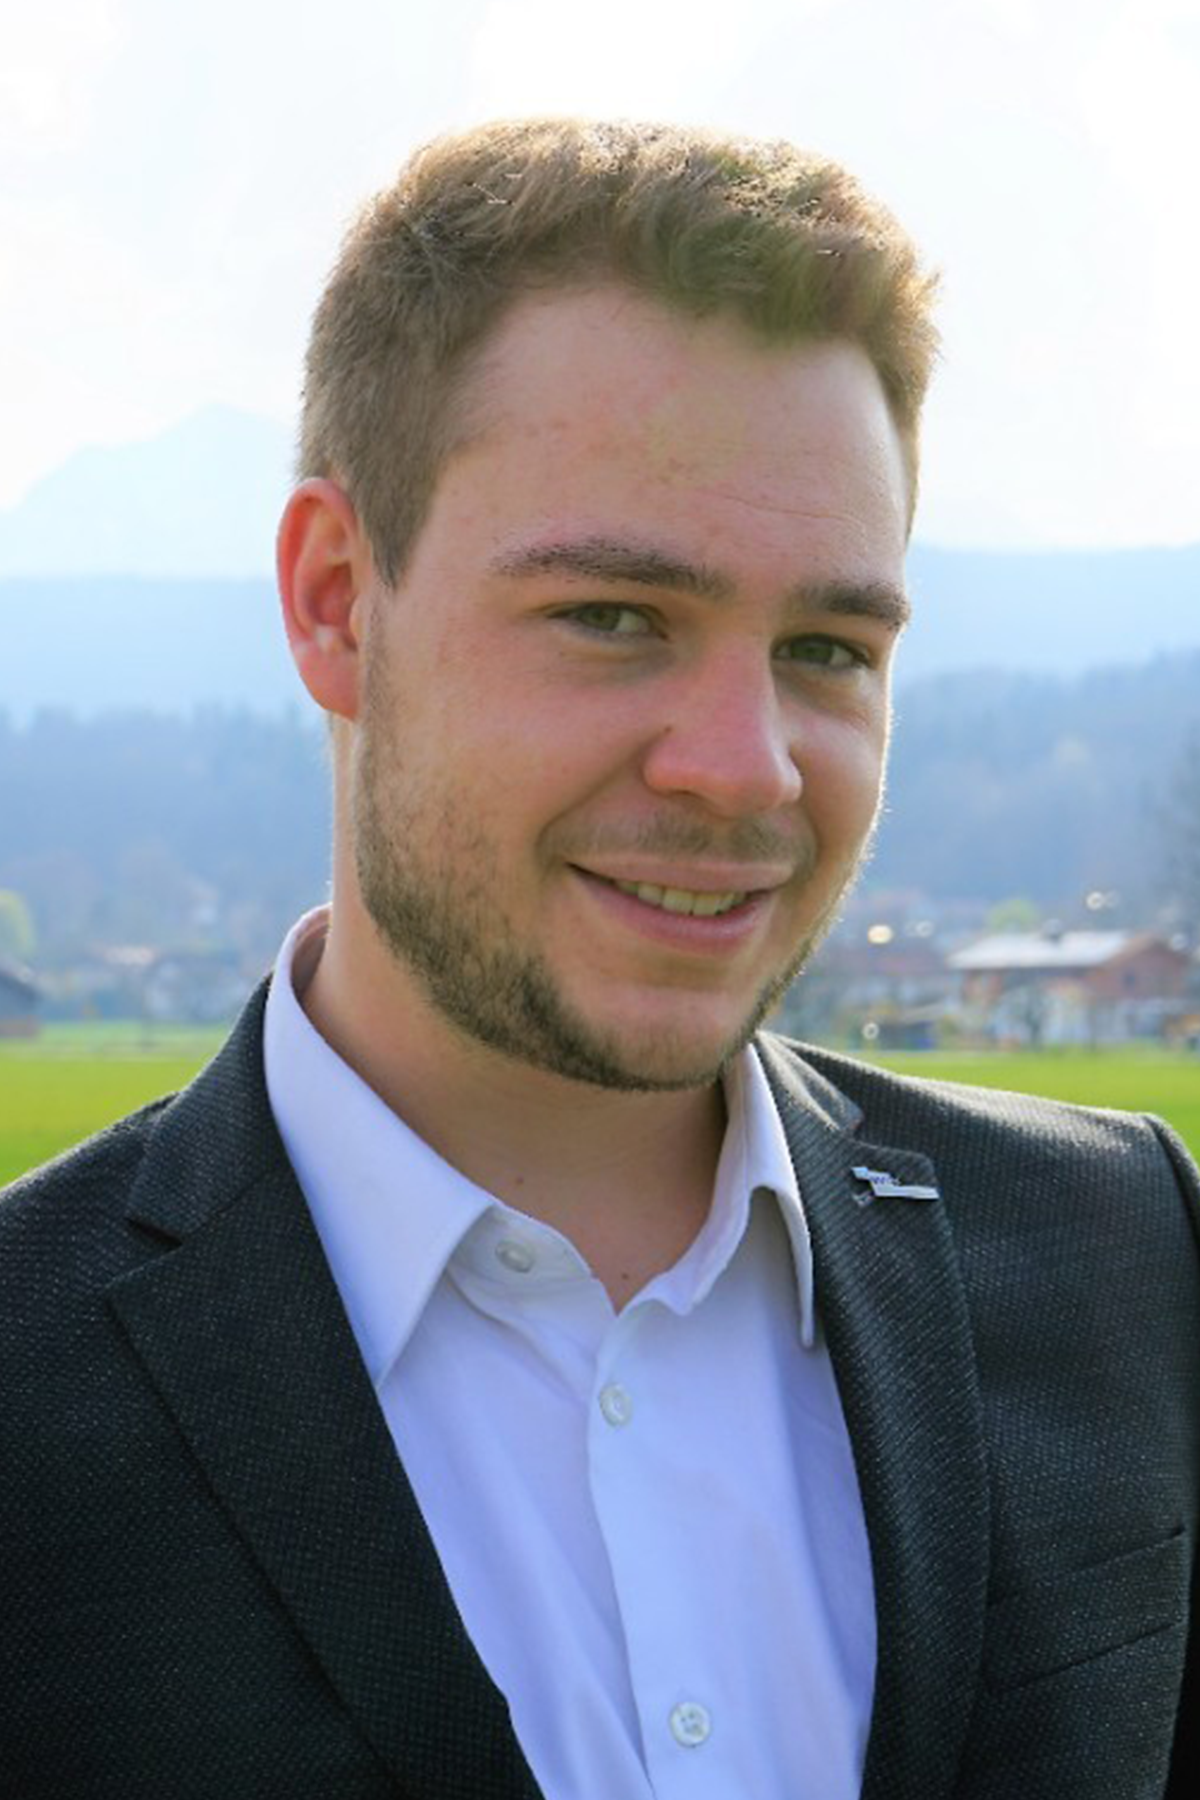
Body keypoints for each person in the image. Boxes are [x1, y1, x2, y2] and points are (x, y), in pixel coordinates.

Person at [1, 118, 1197, 1800]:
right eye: (616, 618)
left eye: (826, 647)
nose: (745, 768)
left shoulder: (1125, 1254)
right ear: (338, 601)